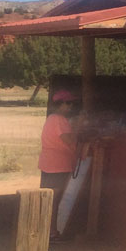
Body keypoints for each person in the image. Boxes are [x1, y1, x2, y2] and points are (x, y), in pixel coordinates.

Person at [38, 89, 79, 241]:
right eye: (68, 103)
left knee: (49, 198)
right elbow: (69, 140)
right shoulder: (59, 120)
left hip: (50, 162)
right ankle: (52, 232)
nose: (70, 106)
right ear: (59, 104)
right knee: (54, 199)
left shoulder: (52, 118)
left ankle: (47, 230)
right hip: (58, 164)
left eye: (71, 103)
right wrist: (78, 129)